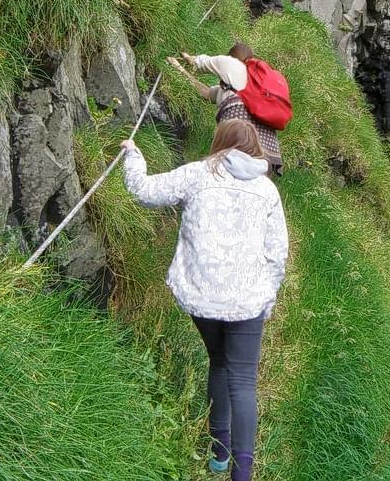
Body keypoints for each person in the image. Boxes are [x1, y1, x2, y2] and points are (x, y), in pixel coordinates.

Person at [121, 119, 288, 481]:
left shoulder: (198, 173)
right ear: (256, 150)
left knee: (218, 362)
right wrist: (268, 299)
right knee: (243, 381)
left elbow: (145, 191)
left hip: (203, 296)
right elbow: (278, 254)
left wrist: (133, 155)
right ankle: (241, 474)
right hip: (247, 301)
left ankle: (218, 455)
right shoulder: (266, 191)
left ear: (221, 142)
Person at [167, 43, 283, 175]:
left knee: (222, 179)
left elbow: (198, 63)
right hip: (268, 153)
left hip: (240, 143)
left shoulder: (232, 64)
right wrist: (180, 70)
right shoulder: (242, 90)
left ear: (231, 57)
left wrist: (184, 58)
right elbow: (206, 93)